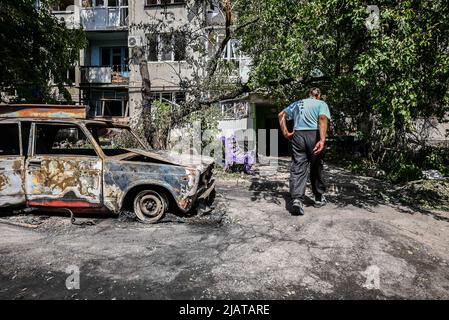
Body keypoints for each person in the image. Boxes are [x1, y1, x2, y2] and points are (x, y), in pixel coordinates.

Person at [278, 87, 331, 215]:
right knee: (316, 166)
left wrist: (286, 133)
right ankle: (318, 198)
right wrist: (322, 140)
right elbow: (323, 119)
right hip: (314, 135)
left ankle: (297, 200)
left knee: (298, 166)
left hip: (298, 136)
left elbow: (281, 115)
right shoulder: (321, 104)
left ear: (308, 95)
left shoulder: (297, 103)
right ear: (318, 95)